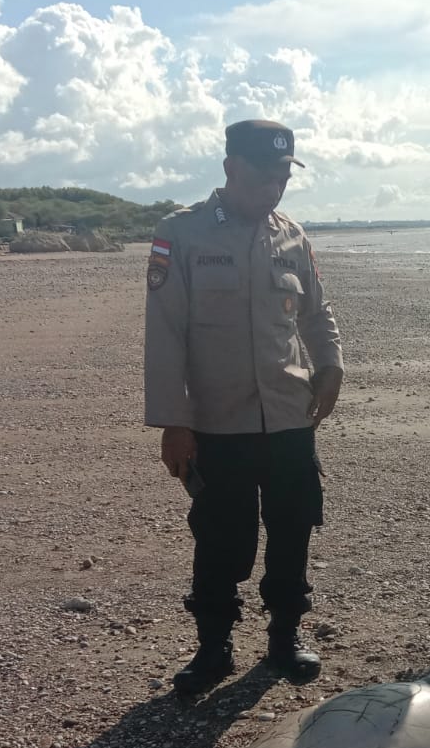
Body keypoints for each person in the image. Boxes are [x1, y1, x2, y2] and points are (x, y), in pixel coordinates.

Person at [145, 120, 343, 697]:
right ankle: (213, 648)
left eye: (284, 174)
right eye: (264, 173)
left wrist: (330, 365)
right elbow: (165, 332)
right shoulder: (181, 234)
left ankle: (284, 637)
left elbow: (316, 313)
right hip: (217, 422)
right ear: (231, 166)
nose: (274, 186)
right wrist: (173, 421)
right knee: (220, 537)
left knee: (293, 528)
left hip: (287, 416)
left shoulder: (293, 237)